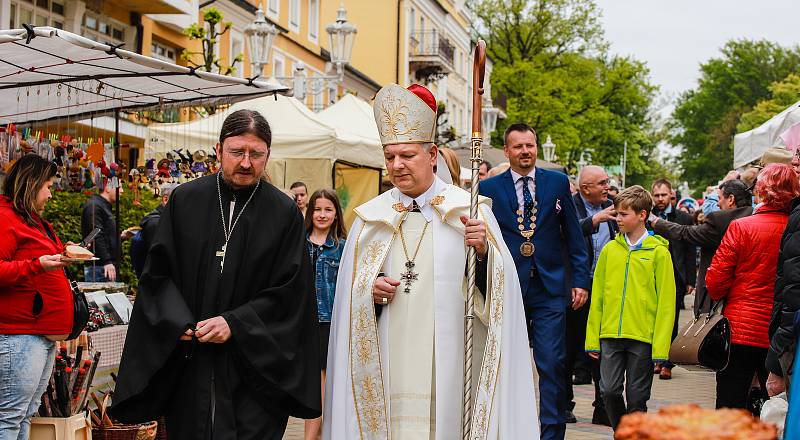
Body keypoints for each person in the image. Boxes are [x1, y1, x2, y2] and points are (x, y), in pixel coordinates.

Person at [324, 84, 539, 439]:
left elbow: (503, 297)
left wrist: (483, 254)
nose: (397, 165)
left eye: (407, 155)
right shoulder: (369, 220)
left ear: (433, 154)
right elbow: (350, 302)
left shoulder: (469, 211)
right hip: (387, 362)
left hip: (451, 365)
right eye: (390, 156)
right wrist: (369, 291)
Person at [110, 110, 322, 439]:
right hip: (192, 361)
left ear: (268, 154)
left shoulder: (283, 214)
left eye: (256, 154)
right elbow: (158, 274)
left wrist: (235, 324)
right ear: (218, 150)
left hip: (255, 369)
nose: (247, 163)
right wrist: (176, 320)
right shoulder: (186, 200)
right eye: (237, 152)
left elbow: (292, 292)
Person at [480, 123, 589, 440]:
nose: (525, 151)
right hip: (507, 286)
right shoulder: (489, 188)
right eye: (518, 146)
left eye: (530, 145)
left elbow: (572, 235)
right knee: (504, 362)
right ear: (507, 151)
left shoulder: (556, 183)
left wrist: (579, 280)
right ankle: (507, 427)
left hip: (550, 287)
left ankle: (552, 432)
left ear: (536, 148)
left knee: (552, 362)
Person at [706, 163, 799, 412]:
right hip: (780, 332)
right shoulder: (794, 229)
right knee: (776, 405)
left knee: (730, 400)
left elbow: (715, 280)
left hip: (740, 327)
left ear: (760, 191)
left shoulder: (742, 227)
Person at [585, 185, 676, 431]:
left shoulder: (659, 252)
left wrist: (661, 347)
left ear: (642, 215)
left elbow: (667, 303)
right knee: (609, 391)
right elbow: (598, 299)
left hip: (642, 337)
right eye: (617, 213)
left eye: (624, 214)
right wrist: (592, 338)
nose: (618, 219)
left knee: (637, 398)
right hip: (610, 335)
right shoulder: (610, 250)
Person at [0, 154, 73, 440]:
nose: (51, 194)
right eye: (48, 186)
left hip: (40, 333)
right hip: (20, 333)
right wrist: (37, 265)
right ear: (31, 185)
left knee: (26, 412)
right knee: (10, 415)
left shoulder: (32, 221)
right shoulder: (6, 218)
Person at [651, 179, 753, 314]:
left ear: (731, 199)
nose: (717, 203)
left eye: (720, 198)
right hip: (748, 294)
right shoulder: (754, 217)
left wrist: (655, 222)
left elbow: (687, 234)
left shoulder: (720, 221)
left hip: (718, 296)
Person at [569, 165, 617, 426]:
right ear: (586, 188)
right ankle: (565, 405)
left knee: (602, 351)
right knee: (570, 348)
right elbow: (562, 232)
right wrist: (593, 222)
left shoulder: (612, 205)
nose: (607, 188)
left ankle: (602, 407)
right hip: (577, 288)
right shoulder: (570, 204)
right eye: (602, 183)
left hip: (605, 290)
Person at [303, 189, 346, 440]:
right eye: (317, 209)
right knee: (307, 384)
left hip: (327, 323)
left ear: (336, 214)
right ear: (310, 212)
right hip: (300, 323)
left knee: (320, 386)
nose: (322, 214)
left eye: (328, 209)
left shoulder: (342, 247)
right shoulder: (298, 243)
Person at [650, 178, 695, 380]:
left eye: (663, 195)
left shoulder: (683, 218)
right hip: (650, 276)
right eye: (656, 195)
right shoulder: (645, 215)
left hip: (675, 275)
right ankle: (655, 359)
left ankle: (668, 362)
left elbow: (689, 250)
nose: (660, 199)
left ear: (671, 195)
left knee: (671, 319)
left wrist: (690, 279)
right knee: (651, 319)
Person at [130, 183, 177, 278]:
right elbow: (157, 257)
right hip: (155, 281)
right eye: (179, 200)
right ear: (165, 199)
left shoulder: (163, 220)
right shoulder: (155, 223)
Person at [81, 176, 120, 282]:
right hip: (99, 267)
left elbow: (105, 233)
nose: (121, 191)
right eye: (119, 187)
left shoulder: (104, 206)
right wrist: (106, 261)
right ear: (107, 187)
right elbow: (95, 234)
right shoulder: (94, 206)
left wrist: (121, 236)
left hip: (104, 266)